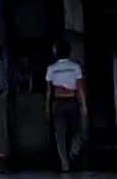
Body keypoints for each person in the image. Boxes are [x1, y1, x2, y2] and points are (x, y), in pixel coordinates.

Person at [45, 39, 87, 172]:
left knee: (60, 135)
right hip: (72, 101)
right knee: (78, 131)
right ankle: (73, 152)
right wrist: (84, 106)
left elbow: (49, 91)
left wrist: (47, 107)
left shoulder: (51, 69)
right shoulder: (75, 67)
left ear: (56, 52)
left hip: (58, 103)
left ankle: (64, 164)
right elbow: (80, 88)